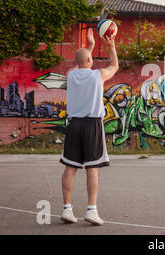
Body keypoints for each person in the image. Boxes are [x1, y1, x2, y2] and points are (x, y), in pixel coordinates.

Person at [60, 27, 119, 226]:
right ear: (90, 61)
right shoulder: (98, 75)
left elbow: (81, 61)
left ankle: (67, 209)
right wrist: (111, 46)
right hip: (93, 125)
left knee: (70, 168)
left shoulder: (70, 75)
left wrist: (90, 46)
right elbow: (115, 66)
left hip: (74, 124)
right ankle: (91, 211)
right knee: (92, 170)